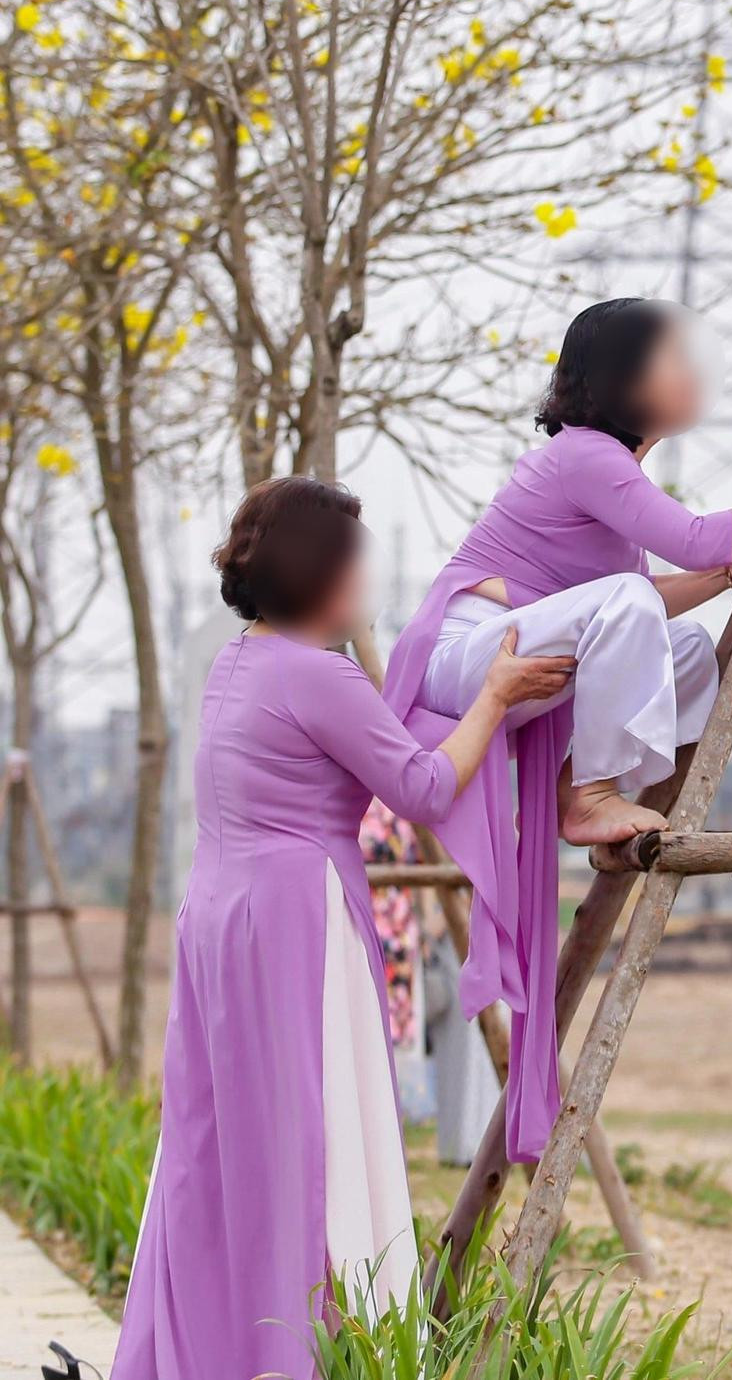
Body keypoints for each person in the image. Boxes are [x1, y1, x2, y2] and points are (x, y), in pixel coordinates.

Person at [112, 476, 572, 1380]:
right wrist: (495, 696)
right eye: (355, 559)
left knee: (219, 1140)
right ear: (323, 571)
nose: (366, 577)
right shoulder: (317, 672)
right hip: (294, 923)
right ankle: (299, 1349)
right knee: (309, 1139)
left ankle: (215, 1343)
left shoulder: (236, 662)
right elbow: (425, 789)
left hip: (220, 913)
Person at [384, 297, 732, 1164]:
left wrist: (720, 580)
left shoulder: (611, 472)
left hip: (528, 648)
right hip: (463, 660)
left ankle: (588, 787)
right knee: (639, 607)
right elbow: (687, 540)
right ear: (619, 383)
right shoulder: (584, 458)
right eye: (671, 359)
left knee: (688, 656)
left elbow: (650, 592)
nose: (693, 374)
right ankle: (590, 796)